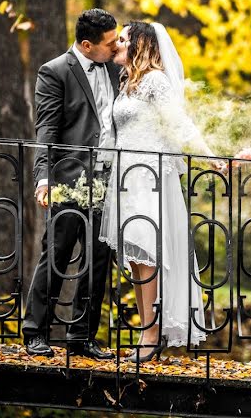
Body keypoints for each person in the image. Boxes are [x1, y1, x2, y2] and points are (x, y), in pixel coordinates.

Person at [99, 21, 222, 362]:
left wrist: (211, 158)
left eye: (123, 39)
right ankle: (147, 332)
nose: (116, 44)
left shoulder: (155, 81)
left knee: (147, 255)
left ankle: (151, 336)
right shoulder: (127, 84)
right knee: (138, 260)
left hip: (149, 178)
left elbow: (179, 122)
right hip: (126, 179)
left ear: (139, 45)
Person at [23, 8, 120, 360]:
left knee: (97, 261)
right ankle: (35, 331)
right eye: (110, 43)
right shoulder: (55, 71)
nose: (116, 46)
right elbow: (46, 129)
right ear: (86, 44)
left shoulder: (117, 67)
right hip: (69, 178)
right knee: (58, 255)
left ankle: (82, 337)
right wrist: (44, 177)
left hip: (109, 180)